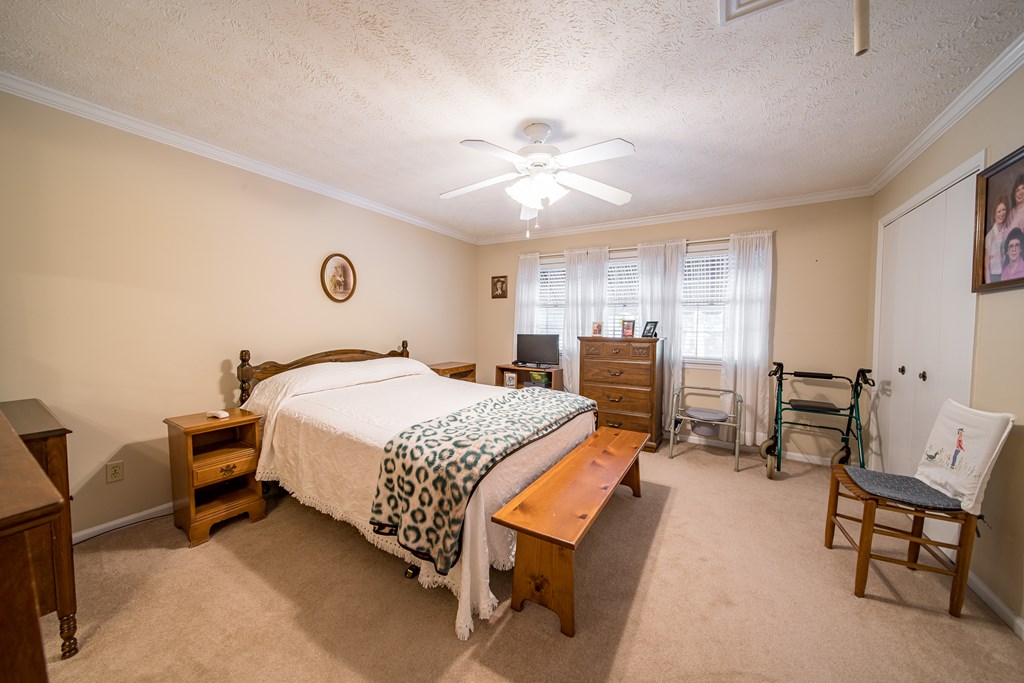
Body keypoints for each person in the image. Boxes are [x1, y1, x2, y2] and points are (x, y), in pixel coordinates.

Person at [985, 195, 1010, 282]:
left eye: (1004, 210)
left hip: (1006, 274)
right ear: (994, 214)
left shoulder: (1007, 231)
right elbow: (986, 266)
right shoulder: (989, 236)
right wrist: (988, 284)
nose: (1002, 213)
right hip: (994, 277)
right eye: (999, 211)